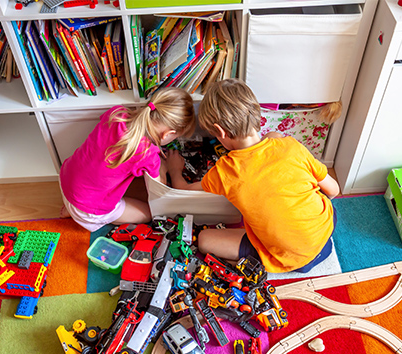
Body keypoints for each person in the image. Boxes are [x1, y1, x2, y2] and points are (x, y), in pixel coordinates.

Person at [166, 79, 340, 273]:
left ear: (221, 132)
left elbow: (183, 189)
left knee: (205, 241)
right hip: (326, 230)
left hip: (291, 259)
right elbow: (334, 190)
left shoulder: (225, 171)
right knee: (315, 193)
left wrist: (174, 169)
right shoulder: (291, 146)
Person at [60, 87, 195, 232]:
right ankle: (79, 216)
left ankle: (71, 209)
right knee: (148, 214)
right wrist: (172, 168)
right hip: (88, 209)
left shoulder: (117, 113)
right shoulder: (147, 154)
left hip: (65, 179)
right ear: (168, 134)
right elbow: (158, 190)